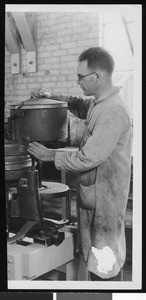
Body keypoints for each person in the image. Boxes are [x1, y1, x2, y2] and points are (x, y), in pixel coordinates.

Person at [28, 47, 132, 281]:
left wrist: (50, 155)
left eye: (80, 77)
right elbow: (78, 105)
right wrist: (51, 95)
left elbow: (88, 157)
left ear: (98, 77)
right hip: (94, 193)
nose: (78, 82)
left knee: (105, 263)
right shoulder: (99, 103)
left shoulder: (112, 110)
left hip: (105, 199)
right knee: (96, 257)